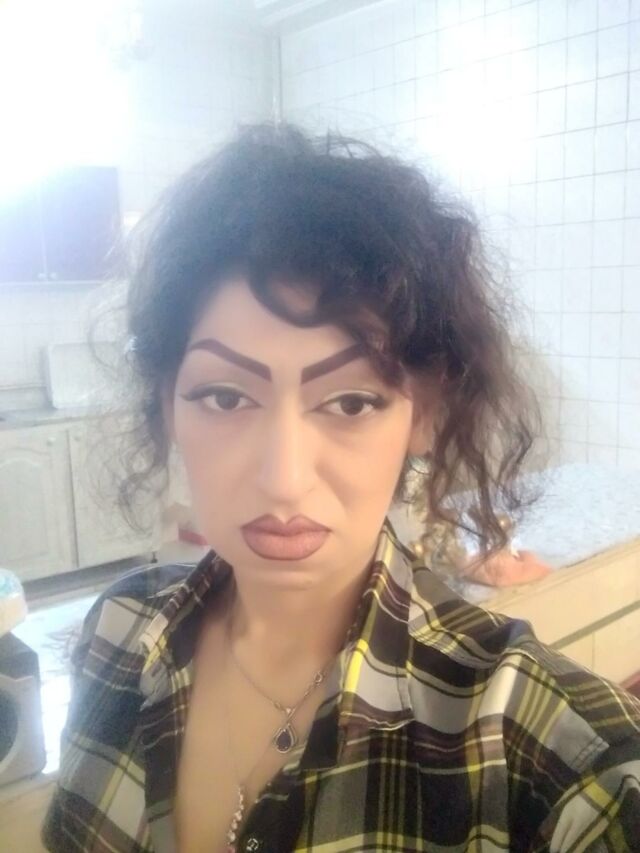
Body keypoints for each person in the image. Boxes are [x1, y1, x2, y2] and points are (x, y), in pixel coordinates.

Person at [42, 122, 640, 853]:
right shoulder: (116, 634)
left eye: (351, 402)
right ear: (167, 403)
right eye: (225, 397)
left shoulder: (538, 747)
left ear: (424, 415)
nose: (284, 478)